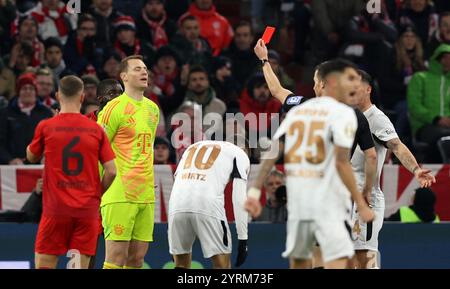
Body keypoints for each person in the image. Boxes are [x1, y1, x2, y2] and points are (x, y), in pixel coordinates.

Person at [246, 59, 375, 269]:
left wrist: (254, 191)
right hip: (331, 200)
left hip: (300, 202)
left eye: (315, 81)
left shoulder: (299, 109)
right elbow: (350, 161)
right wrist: (362, 201)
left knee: (302, 261)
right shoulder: (348, 114)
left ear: (323, 84)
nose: (314, 85)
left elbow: (273, 150)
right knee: (337, 261)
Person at [26, 75, 117, 269]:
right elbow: (111, 171)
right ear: (82, 97)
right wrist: (97, 195)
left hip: (55, 211)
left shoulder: (47, 126)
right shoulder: (96, 130)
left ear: (58, 96)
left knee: (45, 264)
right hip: (86, 212)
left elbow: (32, 156)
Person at [350, 69, 436, 269]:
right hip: (344, 197)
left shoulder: (376, 118)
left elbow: (397, 145)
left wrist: (415, 169)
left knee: (365, 258)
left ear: (368, 89)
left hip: (366, 197)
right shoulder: (345, 117)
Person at [98, 55, 160, 269]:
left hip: (145, 193)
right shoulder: (113, 109)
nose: (144, 72)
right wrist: (99, 187)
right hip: (119, 192)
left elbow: (146, 149)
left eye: (145, 68)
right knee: (115, 259)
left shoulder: (153, 109)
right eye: (137, 69)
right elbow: (97, 149)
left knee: (136, 260)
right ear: (123, 76)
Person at [168, 137, 250, 269]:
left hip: (176, 204)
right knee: (221, 265)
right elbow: (239, 198)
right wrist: (243, 239)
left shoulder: (193, 147)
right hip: (208, 205)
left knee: (181, 264)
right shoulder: (239, 153)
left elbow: (177, 180)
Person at [407, 44, 450, 163]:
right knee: (443, 136)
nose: (447, 61)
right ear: (437, 59)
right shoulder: (420, 78)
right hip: (424, 126)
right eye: (445, 57)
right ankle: (437, 170)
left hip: (446, 126)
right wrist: (436, 119)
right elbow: (414, 106)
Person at [0, 72, 53, 165]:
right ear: (18, 92)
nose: (28, 91)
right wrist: (9, 160)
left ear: (36, 92)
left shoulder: (46, 113)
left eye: (31, 88)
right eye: (24, 88)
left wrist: (46, 157)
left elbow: (52, 141)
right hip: (12, 167)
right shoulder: (5, 113)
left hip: (39, 166)